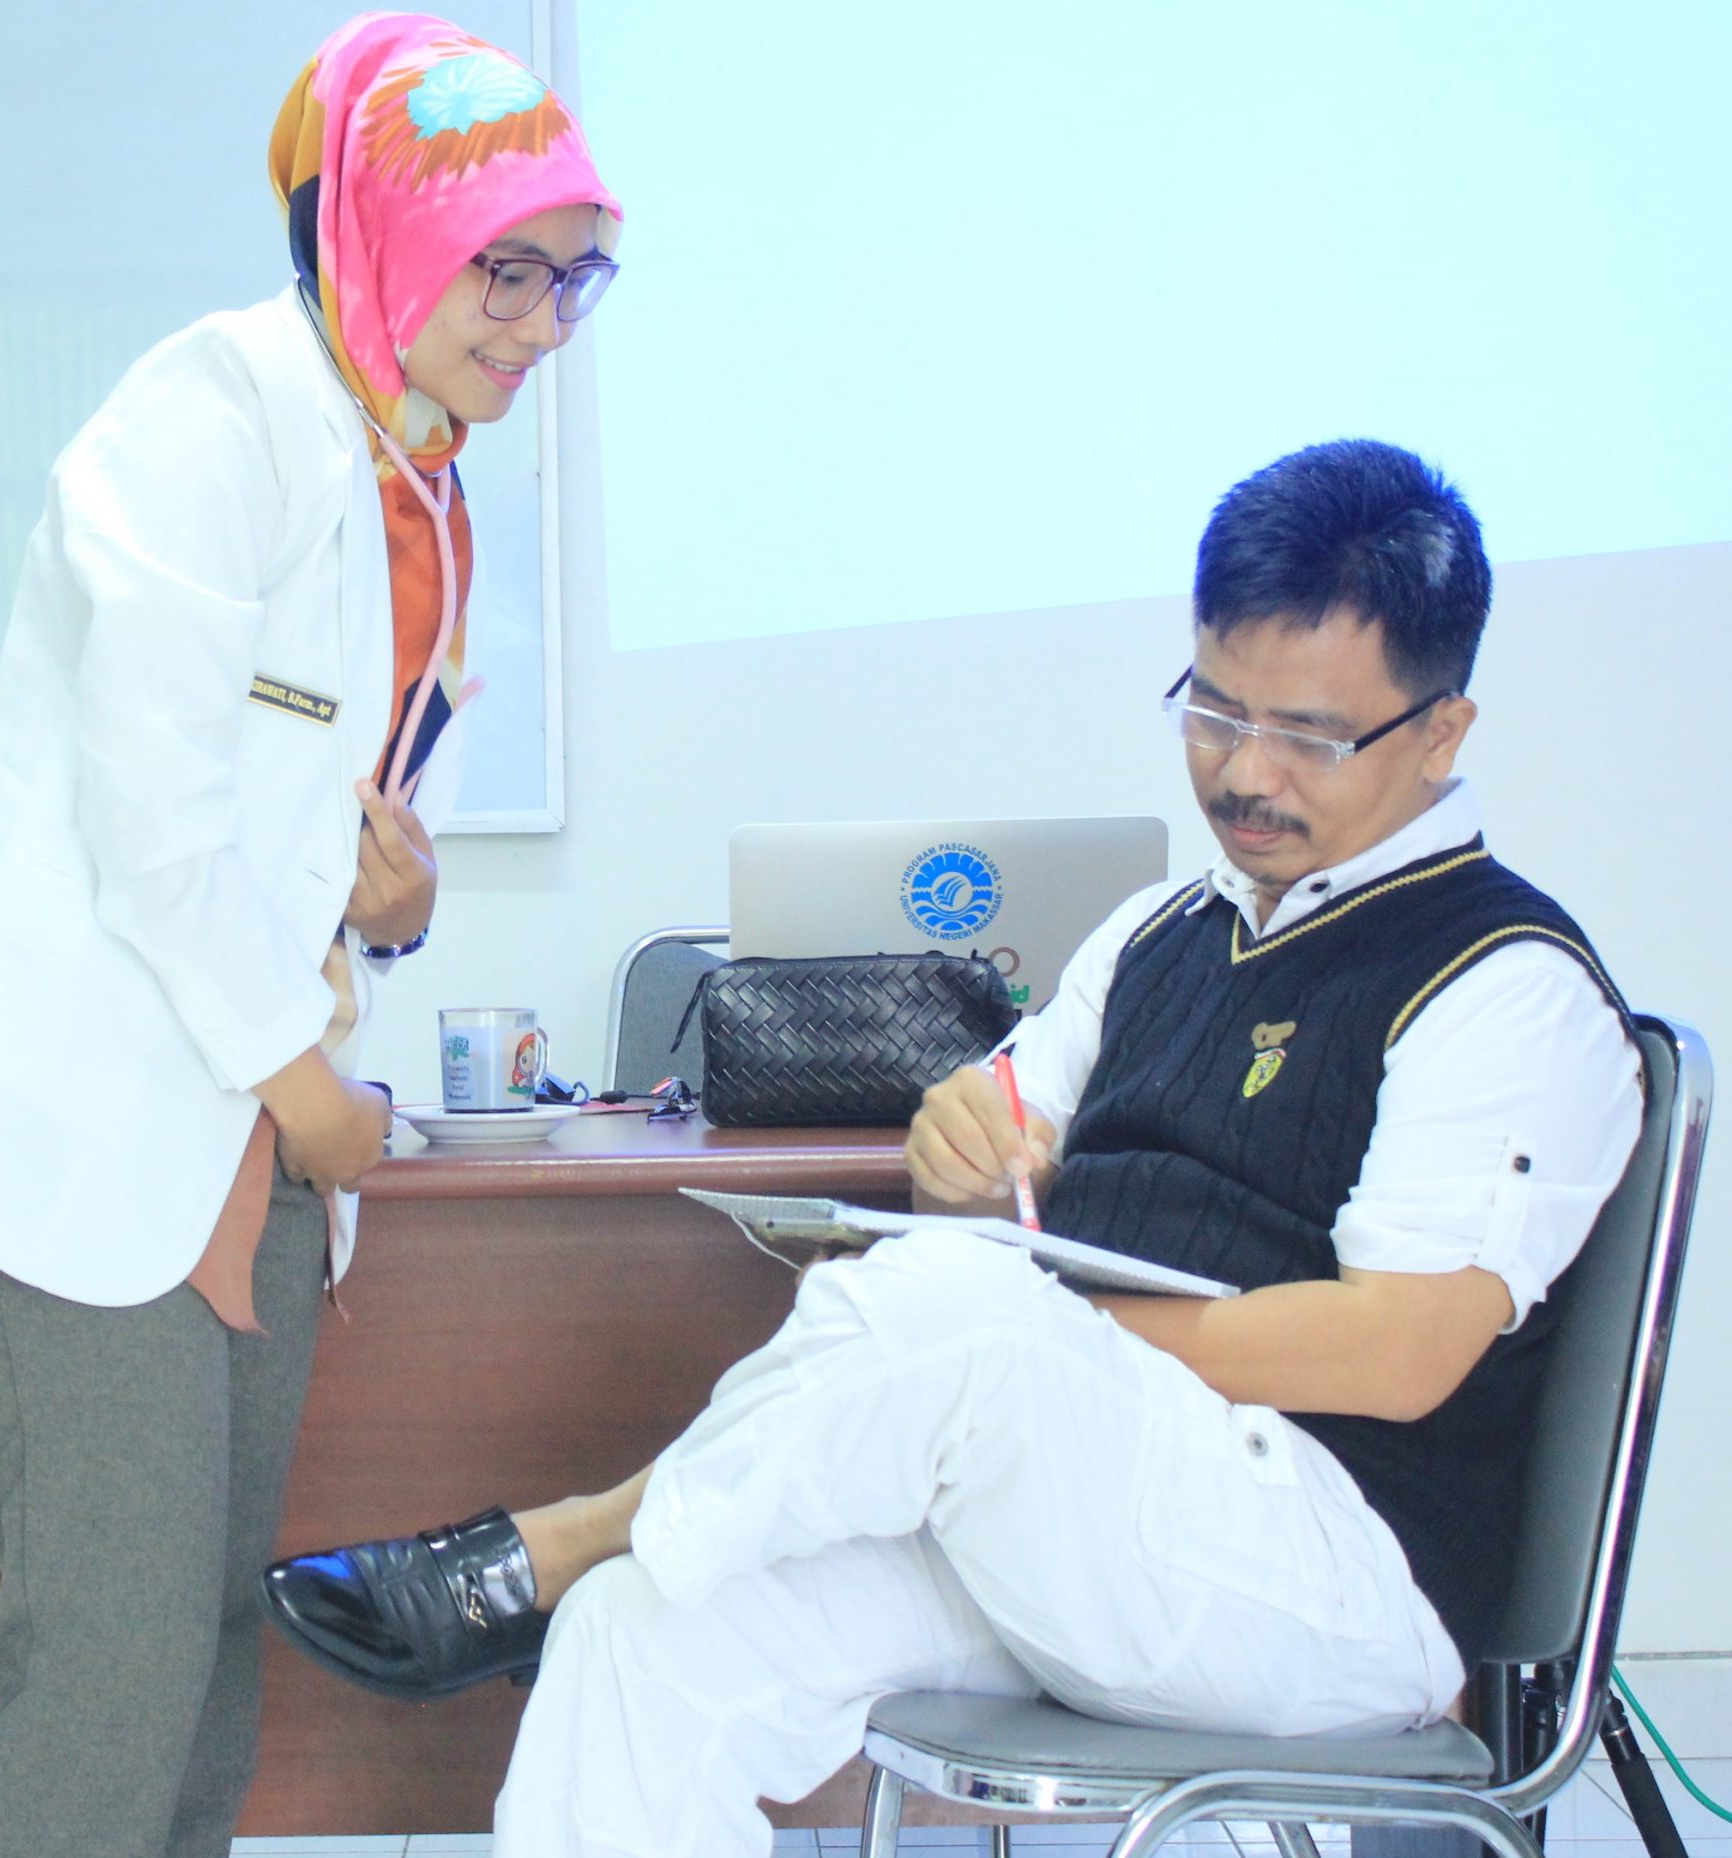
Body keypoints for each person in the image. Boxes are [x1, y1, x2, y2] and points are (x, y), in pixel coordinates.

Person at [259, 439, 1644, 1858]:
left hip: (1335, 1579)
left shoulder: (1506, 983)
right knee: (645, 1629)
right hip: (1096, 1525)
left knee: (959, 1321)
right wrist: (959, 1155)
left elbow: (1399, 1351)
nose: (1244, 771)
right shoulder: (1160, 932)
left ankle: (566, 1537)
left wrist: (1050, 1335)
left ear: (1441, 730)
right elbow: (973, 1165)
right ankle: (594, 1567)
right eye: (1213, 709)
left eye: (1308, 735)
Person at [0, 17, 621, 1857]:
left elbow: (325, 841)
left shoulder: (424, 486)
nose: (540, 323)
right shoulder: (211, 415)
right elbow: (151, 815)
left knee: (200, 1668)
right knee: (103, 1678)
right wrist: (305, 1088)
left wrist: (392, 921)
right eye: (503, 267)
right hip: (99, 1122)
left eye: (574, 280)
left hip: (249, 1147)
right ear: (382, 229)